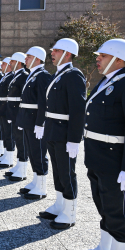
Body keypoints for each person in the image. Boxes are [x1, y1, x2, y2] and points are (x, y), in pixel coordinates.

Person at [75, 39, 125, 250]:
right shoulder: (105, 82)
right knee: (105, 209)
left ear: (119, 59)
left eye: (103, 56)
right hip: (97, 158)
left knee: (119, 214)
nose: (97, 59)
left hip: (115, 162)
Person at [39, 38, 86, 230]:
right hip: (53, 130)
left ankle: (70, 212)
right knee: (58, 171)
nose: (52, 53)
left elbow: (78, 110)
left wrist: (74, 140)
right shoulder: (59, 75)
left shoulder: (74, 75)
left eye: (56, 51)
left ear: (67, 53)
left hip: (65, 132)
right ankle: (60, 204)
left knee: (67, 173)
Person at [15, 46, 51, 199]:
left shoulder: (42, 76)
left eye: (28, 56)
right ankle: (36, 181)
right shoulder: (33, 75)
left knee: (39, 153)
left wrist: (40, 123)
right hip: (28, 120)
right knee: (32, 151)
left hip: (35, 121)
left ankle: (41, 186)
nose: (26, 59)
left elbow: (43, 103)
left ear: (37, 59)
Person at [4, 52, 30, 181]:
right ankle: (19, 165)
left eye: (13, 62)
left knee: (22, 141)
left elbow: (23, 97)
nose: (10, 64)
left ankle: (23, 169)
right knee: (18, 139)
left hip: (19, 114)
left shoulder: (24, 76)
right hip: (14, 113)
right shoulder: (17, 76)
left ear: (19, 63)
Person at [0, 57, 15, 167]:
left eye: (3, 64)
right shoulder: (6, 77)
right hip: (2, 110)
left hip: (7, 110)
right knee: (5, 132)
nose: (1, 66)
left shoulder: (12, 76)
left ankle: (10, 158)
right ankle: (6, 154)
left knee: (9, 134)